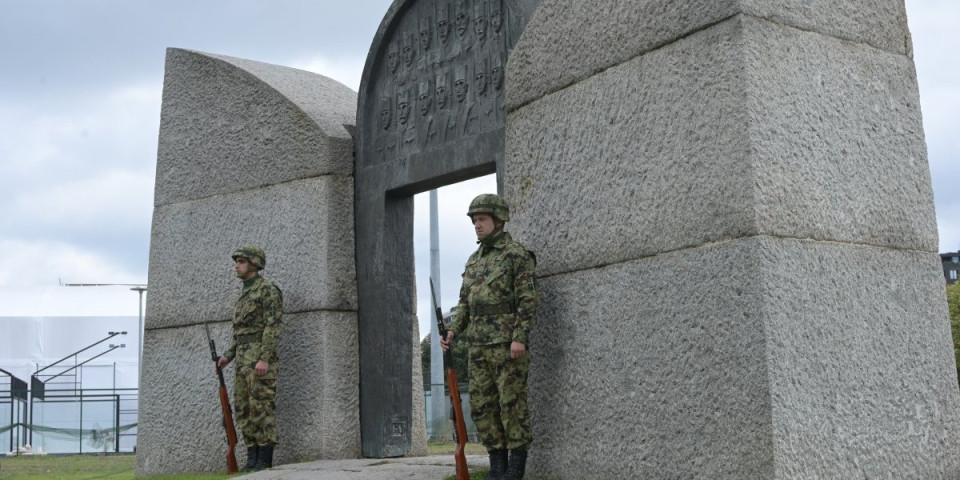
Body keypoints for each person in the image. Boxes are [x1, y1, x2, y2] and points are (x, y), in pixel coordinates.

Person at [441, 194, 537, 480]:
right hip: (478, 348)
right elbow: (464, 304)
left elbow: (527, 300)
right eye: (474, 221)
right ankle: (497, 466)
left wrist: (519, 337)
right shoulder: (474, 261)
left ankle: (515, 469)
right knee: (482, 407)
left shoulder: (516, 255)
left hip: (507, 347)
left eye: (482, 219)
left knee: (511, 405)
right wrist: (453, 330)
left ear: (498, 220)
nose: (476, 225)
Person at [216, 244, 283, 472]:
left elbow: (272, 327)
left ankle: (264, 460)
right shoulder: (244, 294)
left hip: (259, 361)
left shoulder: (267, 290)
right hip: (243, 362)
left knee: (261, 408)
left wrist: (265, 358)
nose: (237, 265)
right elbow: (241, 332)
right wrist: (227, 356)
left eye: (241, 261)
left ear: (254, 264)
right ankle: (252, 458)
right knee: (244, 409)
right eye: (237, 262)